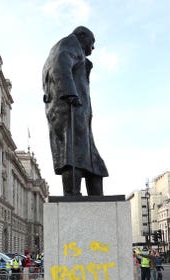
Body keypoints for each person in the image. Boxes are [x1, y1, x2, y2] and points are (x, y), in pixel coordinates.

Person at [42, 26, 108, 196]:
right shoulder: (69, 44)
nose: (93, 48)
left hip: (75, 110)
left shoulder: (67, 47)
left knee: (90, 159)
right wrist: (70, 93)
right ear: (82, 36)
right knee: (72, 152)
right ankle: (72, 194)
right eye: (92, 43)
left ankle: (96, 197)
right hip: (70, 108)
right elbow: (60, 65)